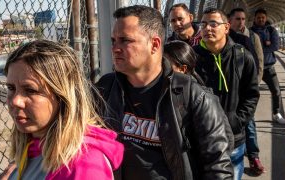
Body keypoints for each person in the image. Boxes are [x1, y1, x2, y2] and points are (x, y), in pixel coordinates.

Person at [96, 5, 233, 180]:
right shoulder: (105, 88)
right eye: (113, 40)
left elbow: (218, 167)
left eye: (125, 40)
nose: (115, 48)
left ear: (154, 44)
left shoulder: (193, 96)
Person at [4, 40, 124, 180]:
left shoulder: (83, 165)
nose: (15, 101)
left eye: (30, 90)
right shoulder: (32, 148)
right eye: (11, 88)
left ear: (63, 97)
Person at [193, 8, 260, 180]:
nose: (208, 28)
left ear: (227, 27)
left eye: (214, 23)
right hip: (199, 139)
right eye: (204, 24)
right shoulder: (192, 57)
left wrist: (236, 122)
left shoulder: (243, 56)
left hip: (234, 139)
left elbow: (251, 94)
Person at [228, 8, 265, 175]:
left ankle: (253, 156)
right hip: (228, 92)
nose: (241, 22)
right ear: (229, 21)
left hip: (244, 90)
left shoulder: (250, 38)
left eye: (243, 19)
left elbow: (259, 62)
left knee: (248, 123)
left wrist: (254, 85)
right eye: (237, 19)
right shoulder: (220, 38)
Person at [251, 8, 285, 124]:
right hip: (254, 68)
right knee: (251, 93)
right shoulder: (250, 31)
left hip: (269, 67)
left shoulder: (271, 30)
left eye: (263, 17)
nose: (261, 19)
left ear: (266, 18)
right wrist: (265, 45)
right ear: (254, 19)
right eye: (258, 17)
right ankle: (249, 115)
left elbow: (275, 46)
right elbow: (248, 48)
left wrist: (258, 48)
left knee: (276, 91)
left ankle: (276, 113)